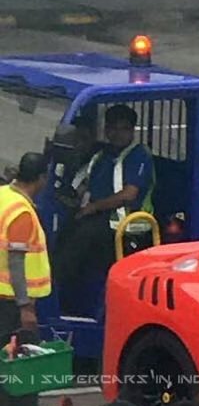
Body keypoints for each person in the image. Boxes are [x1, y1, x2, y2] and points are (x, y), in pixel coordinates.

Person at [54, 104, 154, 307]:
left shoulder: (138, 156)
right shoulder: (102, 155)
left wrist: (93, 207)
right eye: (113, 128)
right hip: (99, 215)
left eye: (124, 129)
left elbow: (129, 194)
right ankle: (65, 292)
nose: (117, 134)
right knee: (61, 229)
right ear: (106, 129)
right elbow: (86, 185)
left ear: (132, 130)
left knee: (80, 239)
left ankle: (55, 294)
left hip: (125, 222)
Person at [0, 152, 51, 347]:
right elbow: (16, 262)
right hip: (9, 302)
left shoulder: (3, 194)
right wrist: (25, 308)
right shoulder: (21, 212)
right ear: (41, 179)